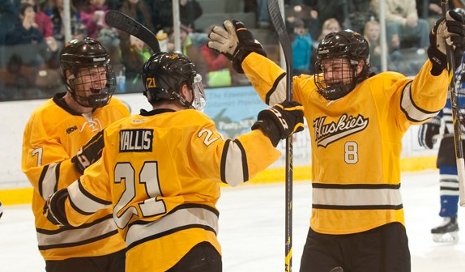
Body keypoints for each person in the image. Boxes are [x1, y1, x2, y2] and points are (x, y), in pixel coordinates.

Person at [206, 11, 465, 271]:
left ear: (359, 65)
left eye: (337, 67)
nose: (329, 75)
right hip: (324, 233)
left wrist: (438, 59)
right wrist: (246, 55)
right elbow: (278, 87)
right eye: (325, 67)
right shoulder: (313, 91)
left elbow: (422, 102)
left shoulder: (383, 89)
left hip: (380, 230)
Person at [43, 51, 305, 272]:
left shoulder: (119, 132)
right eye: (191, 85)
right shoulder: (188, 124)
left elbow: (88, 193)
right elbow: (233, 165)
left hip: (138, 258)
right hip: (189, 250)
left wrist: (59, 206)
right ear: (182, 89)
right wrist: (273, 126)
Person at [21, 37, 130, 272]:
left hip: (119, 239)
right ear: (70, 76)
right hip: (67, 248)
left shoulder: (119, 110)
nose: (99, 80)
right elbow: (48, 183)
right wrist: (88, 155)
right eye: (90, 74)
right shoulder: (44, 119)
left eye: (102, 72)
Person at [418, 92, 464, 243]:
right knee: (447, 169)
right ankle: (449, 218)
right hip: (453, 134)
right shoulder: (449, 69)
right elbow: (442, 93)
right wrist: (432, 119)